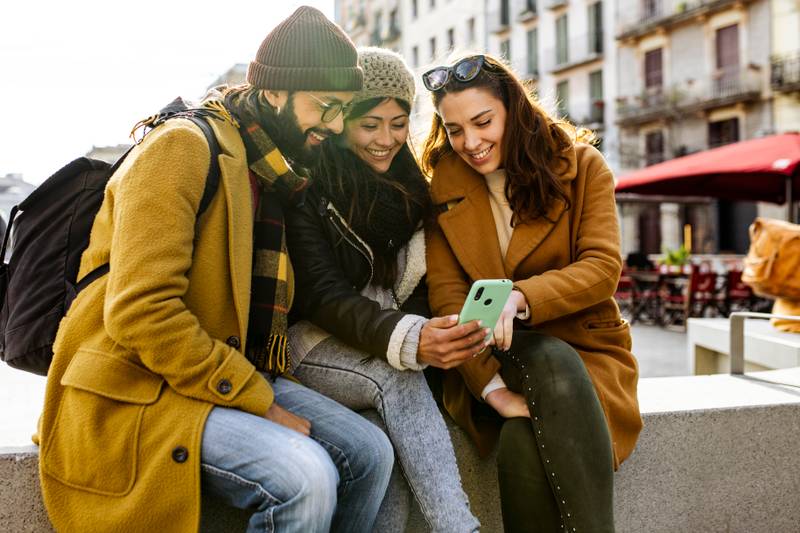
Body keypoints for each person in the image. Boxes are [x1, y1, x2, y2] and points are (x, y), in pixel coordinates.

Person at [36, 7, 394, 533]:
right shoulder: (182, 147)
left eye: (343, 109)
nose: (336, 125)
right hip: (136, 385)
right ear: (274, 92)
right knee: (305, 477)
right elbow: (141, 312)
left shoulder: (272, 167)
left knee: (369, 453)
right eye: (326, 106)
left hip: (213, 365)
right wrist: (261, 406)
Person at [421, 53, 643, 532]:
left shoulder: (582, 165)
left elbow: (602, 267)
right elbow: (446, 297)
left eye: (483, 122)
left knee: (524, 436)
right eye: (454, 129)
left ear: (513, 108)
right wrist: (493, 391)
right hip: (485, 353)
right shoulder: (442, 186)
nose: (471, 143)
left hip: (587, 351)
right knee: (544, 371)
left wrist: (519, 296)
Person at [285, 47, 483, 533]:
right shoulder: (308, 185)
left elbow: (417, 282)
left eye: (398, 123)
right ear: (342, 120)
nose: (386, 139)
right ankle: (458, 527)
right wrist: (410, 337)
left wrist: (430, 328)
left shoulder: (412, 185)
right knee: (397, 378)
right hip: (312, 343)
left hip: (378, 341)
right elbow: (322, 295)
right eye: (370, 124)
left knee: (383, 447)